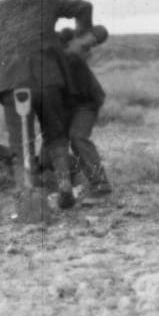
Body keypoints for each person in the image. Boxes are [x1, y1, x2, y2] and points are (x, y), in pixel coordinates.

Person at [0, 0, 94, 209]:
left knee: (20, 141)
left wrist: (6, 68)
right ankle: (64, 184)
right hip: (49, 80)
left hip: (13, 84)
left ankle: (27, 191)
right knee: (55, 135)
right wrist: (82, 38)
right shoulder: (46, 2)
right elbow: (84, 7)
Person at [57, 26, 112, 196]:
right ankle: (74, 176)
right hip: (65, 107)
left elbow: (99, 33)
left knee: (78, 137)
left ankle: (100, 183)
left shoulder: (70, 50)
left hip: (86, 103)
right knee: (51, 150)